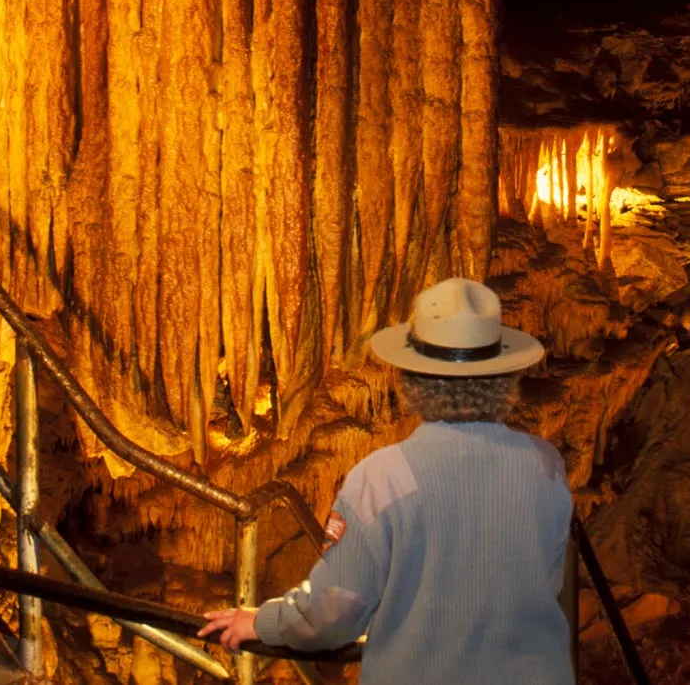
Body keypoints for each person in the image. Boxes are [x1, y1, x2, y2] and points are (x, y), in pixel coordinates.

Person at [197, 278, 573, 683]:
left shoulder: (382, 480)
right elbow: (546, 581)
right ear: (504, 380)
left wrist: (265, 622)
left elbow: (332, 613)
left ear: (412, 382)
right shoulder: (545, 466)